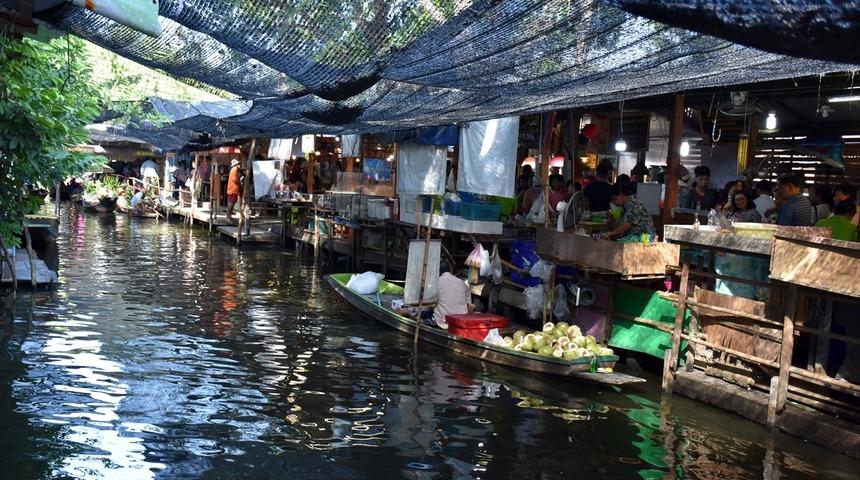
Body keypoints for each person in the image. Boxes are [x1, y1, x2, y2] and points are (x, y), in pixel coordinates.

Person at [431, 265, 474, 329]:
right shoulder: (462, 282)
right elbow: (470, 306)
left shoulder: (436, 282)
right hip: (461, 323)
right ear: (450, 271)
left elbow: (430, 304)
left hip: (442, 323)